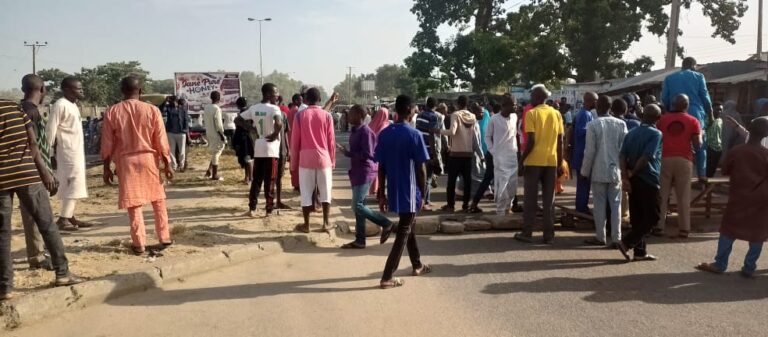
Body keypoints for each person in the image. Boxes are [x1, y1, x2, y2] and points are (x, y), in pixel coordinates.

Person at [1, 99, 84, 301]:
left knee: (2, 233)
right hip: (27, 175)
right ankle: (62, 273)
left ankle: (5, 288)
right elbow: (33, 144)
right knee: (46, 224)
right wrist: (45, 172)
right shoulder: (13, 108)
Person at [101, 76, 174, 255]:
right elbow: (161, 140)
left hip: (126, 162)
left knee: (134, 204)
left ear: (122, 91)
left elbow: (107, 143)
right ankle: (164, 237)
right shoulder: (152, 110)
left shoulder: (112, 111)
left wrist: (106, 167)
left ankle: (139, 243)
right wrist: (167, 163)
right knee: (158, 200)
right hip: (149, 159)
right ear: (141, 91)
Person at [695, 117, 768, 277]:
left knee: (729, 229)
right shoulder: (766, 154)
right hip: (762, 198)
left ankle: (720, 264)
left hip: (739, 195)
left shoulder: (737, 151)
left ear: (750, 128)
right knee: (757, 232)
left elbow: (726, 170)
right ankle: (749, 267)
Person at [374, 94, 431, 289]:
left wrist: (381, 192)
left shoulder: (385, 133)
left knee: (409, 226)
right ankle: (387, 276)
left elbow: (380, 167)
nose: (416, 112)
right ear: (409, 110)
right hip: (410, 190)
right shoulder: (414, 134)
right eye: (415, 109)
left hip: (394, 189)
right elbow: (421, 169)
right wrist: (423, 194)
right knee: (405, 230)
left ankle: (417, 265)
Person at [339, 105, 394, 249]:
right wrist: (348, 152)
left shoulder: (366, 131)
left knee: (356, 205)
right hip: (357, 171)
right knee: (360, 206)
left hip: (365, 171)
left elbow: (369, 154)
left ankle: (386, 223)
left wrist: (349, 154)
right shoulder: (355, 130)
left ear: (359, 115)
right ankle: (360, 239)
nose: (348, 117)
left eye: (351, 114)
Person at [514, 84, 563, 244]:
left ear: (536, 97)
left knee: (530, 199)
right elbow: (560, 140)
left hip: (534, 161)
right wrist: (560, 162)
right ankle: (549, 235)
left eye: (532, 95)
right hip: (551, 161)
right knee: (549, 200)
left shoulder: (531, 114)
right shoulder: (556, 114)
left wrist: (521, 161)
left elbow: (532, 140)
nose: (530, 98)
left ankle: (527, 233)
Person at [616, 104, 663, 262]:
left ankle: (640, 252)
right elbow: (647, 157)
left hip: (633, 179)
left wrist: (625, 176)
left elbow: (622, 156)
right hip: (648, 178)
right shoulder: (656, 134)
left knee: (638, 217)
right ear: (658, 118)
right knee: (653, 216)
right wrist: (633, 172)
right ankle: (627, 242)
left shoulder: (631, 133)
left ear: (642, 116)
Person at [46, 77, 94, 231]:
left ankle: (70, 215)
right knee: (73, 184)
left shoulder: (73, 105)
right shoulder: (60, 105)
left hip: (76, 151)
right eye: (78, 89)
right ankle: (63, 219)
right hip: (67, 152)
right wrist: (49, 155)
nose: (82, 91)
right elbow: (51, 130)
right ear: (66, 89)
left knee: (74, 184)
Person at [581, 97, 628, 247]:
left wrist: (584, 172)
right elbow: (624, 150)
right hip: (615, 170)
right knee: (616, 205)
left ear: (597, 106)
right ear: (610, 107)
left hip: (598, 171)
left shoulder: (593, 125)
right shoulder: (621, 124)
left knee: (599, 205)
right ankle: (616, 238)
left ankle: (600, 237)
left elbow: (590, 151)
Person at [655, 94, 702, 239]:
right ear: (686, 105)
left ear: (673, 104)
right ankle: (684, 229)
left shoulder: (661, 120)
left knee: (662, 195)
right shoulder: (693, 121)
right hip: (684, 159)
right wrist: (701, 135)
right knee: (683, 196)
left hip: (664, 159)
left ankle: (659, 227)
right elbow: (697, 145)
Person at [291, 88, 335, 232]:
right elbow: (331, 142)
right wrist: (332, 161)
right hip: (324, 159)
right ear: (320, 99)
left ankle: (306, 224)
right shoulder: (327, 116)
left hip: (305, 159)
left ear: (306, 99)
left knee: (306, 191)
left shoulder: (299, 116)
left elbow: (295, 142)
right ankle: (326, 222)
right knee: (325, 191)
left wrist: (293, 164)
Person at [18, 74, 52, 270]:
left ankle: (37, 253)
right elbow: (34, 146)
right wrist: (45, 172)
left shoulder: (18, 109)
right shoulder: (31, 112)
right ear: (43, 89)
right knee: (36, 213)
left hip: (22, 168)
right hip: (33, 171)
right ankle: (37, 257)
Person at [661, 57, 713, 181]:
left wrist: (669, 112)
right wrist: (710, 114)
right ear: (693, 65)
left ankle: (672, 175)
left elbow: (665, 98)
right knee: (700, 144)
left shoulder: (669, 78)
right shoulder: (698, 76)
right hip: (695, 113)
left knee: (673, 141)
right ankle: (701, 175)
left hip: (674, 113)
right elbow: (705, 97)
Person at [237, 83, 283, 216]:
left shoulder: (254, 108)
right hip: (271, 149)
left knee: (257, 179)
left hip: (259, 147)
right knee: (271, 180)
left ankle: (252, 208)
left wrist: (251, 128)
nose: (277, 96)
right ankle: (269, 209)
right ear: (268, 94)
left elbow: (238, 120)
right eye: (275, 94)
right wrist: (275, 134)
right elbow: (279, 123)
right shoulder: (274, 108)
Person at [437, 95, 479, 213]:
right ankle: (466, 206)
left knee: (451, 182)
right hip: (468, 154)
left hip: (455, 155)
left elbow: (452, 132)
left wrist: (438, 131)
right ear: (467, 104)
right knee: (467, 182)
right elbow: (475, 136)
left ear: (457, 103)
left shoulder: (455, 115)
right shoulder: (473, 116)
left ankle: (451, 206)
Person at [482, 95, 519, 215]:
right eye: (513, 104)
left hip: (512, 156)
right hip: (499, 157)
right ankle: (500, 210)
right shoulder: (494, 119)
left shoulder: (514, 117)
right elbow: (487, 137)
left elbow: (515, 134)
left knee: (512, 185)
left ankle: (509, 207)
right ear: (504, 106)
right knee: (502, 184)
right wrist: (493, 151)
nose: (515, 106)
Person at [571, 92, 597, 214]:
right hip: (582, 153)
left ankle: (582, 206)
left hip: (583, 152)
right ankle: (581, 207)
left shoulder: (587, 114)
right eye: (595, 100)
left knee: (584, 182)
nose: (597, 103)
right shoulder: (585, 115)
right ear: (589, 101)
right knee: (583, 182)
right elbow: (581, 132)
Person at [415, 97, 440, 211]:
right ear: (435, 106)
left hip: (419, 148)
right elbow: (431, 135)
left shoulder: (420, 115)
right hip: (428, 150)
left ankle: (426, 200)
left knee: (421, 176)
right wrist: (434, 154)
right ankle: (423, 202)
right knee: (428, 177)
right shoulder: (433, 116)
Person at [368, 105, 391, 196]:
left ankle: (377, 192)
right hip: (386, 153)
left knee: (378, 173)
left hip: (374, 153)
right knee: (384, 174)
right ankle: (380, 193)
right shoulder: (387, 126)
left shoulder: (371, 124)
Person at [203, 91, 226, 181]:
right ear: (219, 98)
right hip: (216, 133)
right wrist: (222, 135)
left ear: (211, 98)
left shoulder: (207, 107)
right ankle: (214, 175)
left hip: (209, 132)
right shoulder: (216, 109)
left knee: (214, 152)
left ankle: (209, 170)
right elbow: (219, 125)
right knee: (217, 152)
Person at [165, 95, 190, 172]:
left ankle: (182, 166)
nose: (173, 102)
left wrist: (185, 131)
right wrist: (165, 101)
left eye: (174, 101)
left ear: (177, 101)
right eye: (172, 101)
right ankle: (174, 166)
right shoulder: (169, 108)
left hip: (181, 133)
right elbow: (161, 109)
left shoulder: (182, 109)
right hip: (171, 133)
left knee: (182, 151)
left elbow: (186, 120)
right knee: (171, 151)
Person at [233, 97, 255, 184]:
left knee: (247, 158)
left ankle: (251, 178)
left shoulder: (242, 114)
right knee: (246, 158)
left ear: (238, 105)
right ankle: (247, 177)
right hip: (247, 137)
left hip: (243, 138)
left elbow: (239, 125)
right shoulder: (249, 112)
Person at [705, 102, 724, 177]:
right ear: (712, 110)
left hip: (718, 148)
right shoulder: (707, 119)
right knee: (707, 168)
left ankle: (708, 186)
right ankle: (704, 185)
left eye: (721, 110)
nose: (719, 111)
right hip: (709, 146)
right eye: (717, 109)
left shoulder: (720, 121)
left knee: (713, 168)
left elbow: (719, 134)